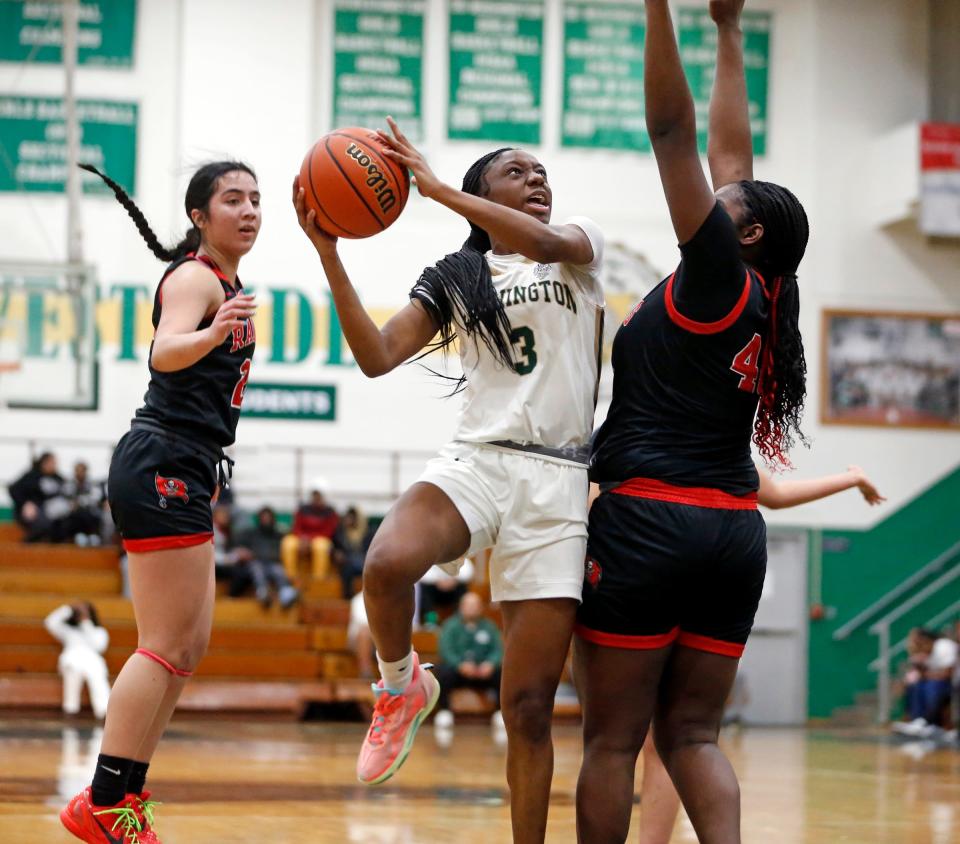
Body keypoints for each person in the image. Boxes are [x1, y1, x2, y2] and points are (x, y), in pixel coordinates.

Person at [293, 116, 604, 843]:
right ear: (482, 191)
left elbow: (550, 240)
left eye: (542, 174)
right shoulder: (458, 276)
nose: (539, 181)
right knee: (387, 559)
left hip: (558, 480)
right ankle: (401, 687)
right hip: (479, 458)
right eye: (518, 171)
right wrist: (330, 255)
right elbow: (375, 355)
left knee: (526, 706)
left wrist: (432, 190)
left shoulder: (578, 250)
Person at [575, 1, 810, 841]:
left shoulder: (714, 276)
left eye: (726, 199)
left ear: (738, 229)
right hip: (734, 532)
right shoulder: (767, 293)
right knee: (694, 735)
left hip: (651, 520)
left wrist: (656, 6)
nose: (715, 188)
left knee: (611, 740)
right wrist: (730, 31)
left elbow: (674, 132)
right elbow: (732, 155)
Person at [60, 159, 259, 844]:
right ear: (200, 216)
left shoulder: (226, 281)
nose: (249, 209)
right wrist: (209, 333)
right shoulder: (196, 277)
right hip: (162, 458)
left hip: (189, 464)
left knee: (187, 647)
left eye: (256, 199)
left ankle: (125, 795)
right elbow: (163, 350)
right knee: (165, 643)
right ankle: (103, 800)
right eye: (233, 199)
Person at [634, 462, 885, 844]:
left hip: (648, 569)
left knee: (640, 741)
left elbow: (777, 495)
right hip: (692, 564)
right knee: (670, 739)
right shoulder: (700, 433)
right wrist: (851, 479)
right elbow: (778, 496)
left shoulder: (675, 433)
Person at [433, 591, 503, 732]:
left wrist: (490, 663)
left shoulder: (489, 627)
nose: (471, 608)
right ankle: (444, 711)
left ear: (480, 608)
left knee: (501, 674)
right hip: (458, 672)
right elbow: (446, 650)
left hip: (483, 672)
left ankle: (499, 712)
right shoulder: (450, 626)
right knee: (443, 673)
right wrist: (460, 664)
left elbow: (498, 650)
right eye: (468, 605)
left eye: (475, 605)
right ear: (461, 606)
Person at [44, 603, 111, 720]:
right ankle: (70, 710)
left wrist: (86, 622)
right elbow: (50, 622)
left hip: (92, 661)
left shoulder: (99, 632)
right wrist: (68, 610)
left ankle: (104, 711)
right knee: (72, 675)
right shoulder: (68, 631)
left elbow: (99, 646)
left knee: (98, 679)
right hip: (72, 660)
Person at [233, 506, 300, 608]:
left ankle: (286, 592)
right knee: (257, 570)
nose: (266, 520)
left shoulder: (278, 535)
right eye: (264, 517)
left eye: (268, 517)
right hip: (256, 562)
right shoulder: (251, 534)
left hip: (273, 563)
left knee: (278, 571)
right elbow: (239, 546)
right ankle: (263, 592)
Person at [281, 480, 339, 582]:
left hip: (319, 539)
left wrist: (310, 539)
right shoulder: (302, 509)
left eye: (318, 495)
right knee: (288, 543)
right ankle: (290, 578)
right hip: (302, 539)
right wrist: (303, 538)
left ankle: (318, 580)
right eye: (314, 495)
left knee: (321, 546)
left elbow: (328, 532)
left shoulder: (330, 513)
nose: (316, 498)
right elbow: (296, 527)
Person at [9, 451, 69, 542]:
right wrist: (24, 504)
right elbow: (14, 489)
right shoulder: (32, 476)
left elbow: (66, 494)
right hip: (33, 512)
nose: (54, 465)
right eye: (52, 462)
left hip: (52, 513)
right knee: (43, 523)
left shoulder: (58, 479)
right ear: (44, 462)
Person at [331, 505, 372, 599]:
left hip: (363, 562)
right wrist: (336, 553)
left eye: (351, 518)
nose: (348, 520)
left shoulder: (367, 533)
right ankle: (348, 596)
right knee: (347, 569)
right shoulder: (340, 532)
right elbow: (334, 546)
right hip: (348, 562)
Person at [64, 462, 106, 545]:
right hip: (75, 515)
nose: (80, 473)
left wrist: (80, 502)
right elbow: (67, 498)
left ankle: (93, 536)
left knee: (90, 514)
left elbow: (95, 498)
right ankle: (76, 536)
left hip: (91, 513)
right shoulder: (69, 484)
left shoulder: (93, 484)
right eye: (78, 470)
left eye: (82, 470)